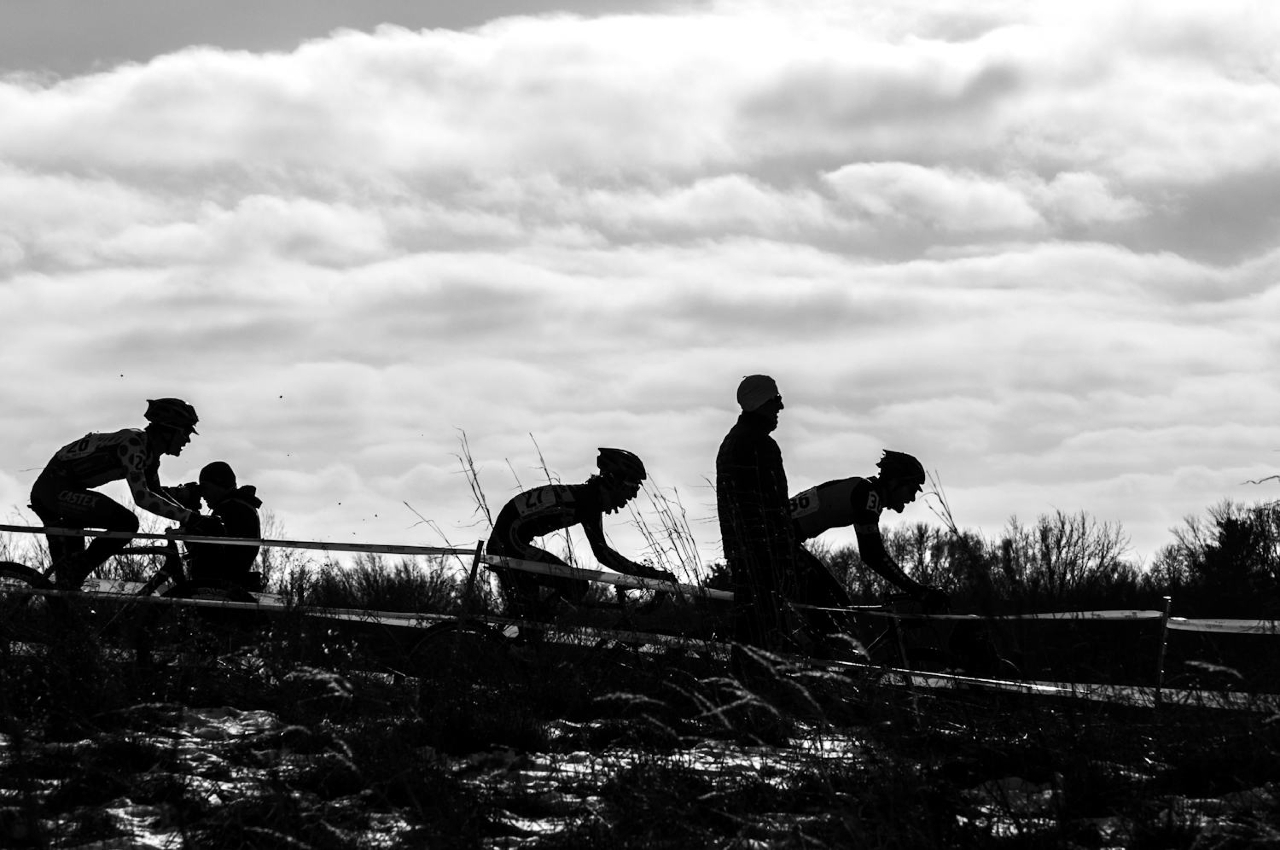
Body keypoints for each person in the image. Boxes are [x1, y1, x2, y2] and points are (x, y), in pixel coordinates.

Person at [29, 397, 216, 589]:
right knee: (126, 522)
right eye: (186, 432)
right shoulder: (133, 444)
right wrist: (190, 518)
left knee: (69, 582)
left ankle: (64, 607)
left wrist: (191, 517)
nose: (187, 439)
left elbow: (155, 492)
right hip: (52, 489)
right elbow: (142, 497)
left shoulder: (150, 455)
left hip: (66, 489)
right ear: (169, 430)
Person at [486, 448, 675, 617]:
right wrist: (649, 573)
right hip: (507, 542)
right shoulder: (589, 501)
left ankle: (513, 639)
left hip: (510, 540)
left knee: (530, 615)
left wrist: (645, 573)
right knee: (574, 586)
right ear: (612, 481)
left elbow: (603, 552)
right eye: (632, 487)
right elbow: (603, 554)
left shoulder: (588, 496)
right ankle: (521, 635)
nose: (632, 496)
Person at [789, 449, 949, 614]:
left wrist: (914, 588)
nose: (913, 498)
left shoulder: (866, 490)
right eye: (911, 490)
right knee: (835, 611)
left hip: (785, 537)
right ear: (894, 483)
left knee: (839, 608)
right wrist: (917, 590)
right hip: (781, 539)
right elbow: (872, 555)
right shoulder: (868, 495)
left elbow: (872, 554)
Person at [715, 374, 799, 651]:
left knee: (748, 637)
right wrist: (784, 558)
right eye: (776, 401)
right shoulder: (760, 444)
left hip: (742, 556)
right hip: (764, 560)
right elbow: (775, 508)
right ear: (761, 402)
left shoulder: (731, 441)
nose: (780, 408)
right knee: (767, 639)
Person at [182, 461, 264, 592]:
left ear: (218, 484)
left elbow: (203, 547)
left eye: (205, 488)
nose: (203, 495)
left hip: (221, 584)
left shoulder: (232, 508)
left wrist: (189, 513)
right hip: (230, 580)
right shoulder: (240, 505)